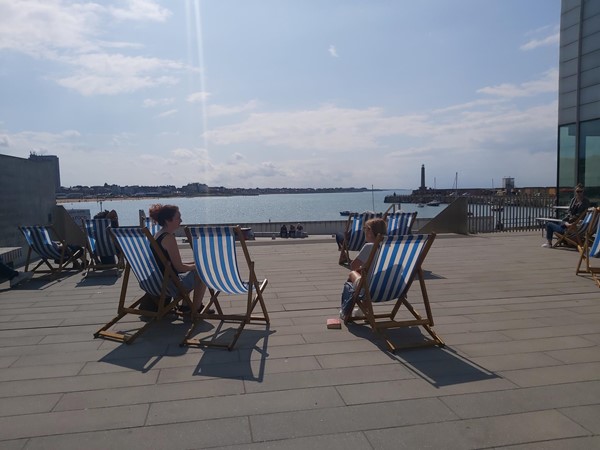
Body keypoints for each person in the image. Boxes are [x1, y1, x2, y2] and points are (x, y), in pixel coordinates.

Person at [148, 204, 212, 314]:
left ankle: (186, 306)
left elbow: (173, 265)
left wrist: (196, 263)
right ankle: (195, 310)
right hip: (169, 284)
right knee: (202, 273)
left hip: (158, 280)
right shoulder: (169, 238)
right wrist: (199, 266)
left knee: (194, 268)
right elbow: (180, 268)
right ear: (168, 220)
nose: (181, 220)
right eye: (178, 218)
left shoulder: (158, 235)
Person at [339, 218, 387, 322]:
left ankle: (347, 310)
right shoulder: (391, 247)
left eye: (365, 228)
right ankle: (364, 310)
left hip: (370, 289)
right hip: (390, 287)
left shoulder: (369, 246)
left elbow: (353, 266)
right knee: (364, 275)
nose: (364, 231)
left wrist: (359, 269)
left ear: (370, 231)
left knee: (352, 274)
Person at [542, 184, 590, 248]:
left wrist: (566, 223)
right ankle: (565, 240)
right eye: (577, 191)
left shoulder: (585, 202)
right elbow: (569, 211)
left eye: (580, 191)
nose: (579, 193)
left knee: (549, 224)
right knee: (555, 222)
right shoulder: (574, 200)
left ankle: (549, 243)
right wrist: (566, 221)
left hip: (571, 227)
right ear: (575, 192)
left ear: (583, 191)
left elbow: (579, 215)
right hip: (568, 224)